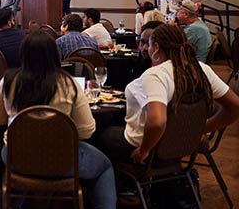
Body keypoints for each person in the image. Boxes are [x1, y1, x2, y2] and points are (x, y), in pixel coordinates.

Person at [0, 32, 130, 209]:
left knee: (18, 151)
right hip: (62, 160)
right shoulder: (68, 84)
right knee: (104, 166)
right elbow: (87, 131)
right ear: (54, 55)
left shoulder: (9, 81)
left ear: (23, 55)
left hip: (17, 157)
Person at [97, 24, 239, 167]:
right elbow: (235, 106)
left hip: (151, 148)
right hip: (181, 144)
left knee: (98, 135)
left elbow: (157, 122)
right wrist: (199, 130)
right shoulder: (201, 69)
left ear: (157, 47)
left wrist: (144, 150)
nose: (147, 49)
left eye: (150, 45)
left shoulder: (156, 75)